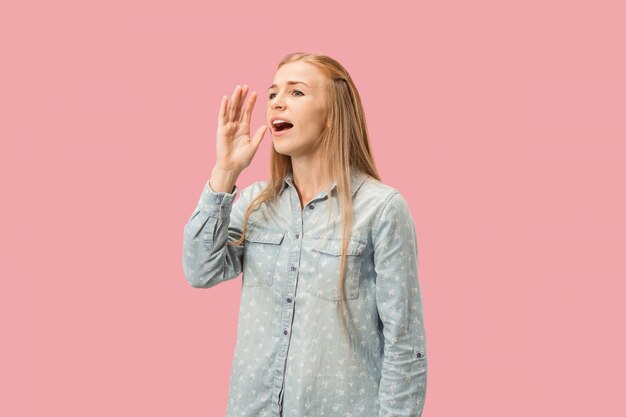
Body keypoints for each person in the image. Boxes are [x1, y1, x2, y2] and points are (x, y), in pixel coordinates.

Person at [182, 52, 427, 417]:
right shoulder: (253, 202)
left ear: (331, 116)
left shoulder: (382, 209)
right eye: (273, 94)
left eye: (296, 93)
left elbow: (405, 345)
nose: (277, 102)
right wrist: (225, 171)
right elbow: (200, 271)